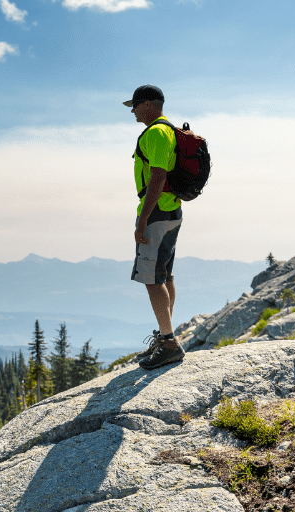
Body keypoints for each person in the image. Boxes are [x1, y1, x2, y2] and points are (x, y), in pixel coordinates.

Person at [124, 85, 185, 370]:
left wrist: (144, 219)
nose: (133, 112)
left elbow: (158, 175)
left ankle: (170, 343)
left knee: (152, 278)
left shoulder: (157, 132)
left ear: (148, 104)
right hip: (170, 210)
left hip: (157, 213)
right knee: (164, 274)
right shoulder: (168, 130)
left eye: (134, 106)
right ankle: (165, 337)